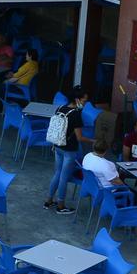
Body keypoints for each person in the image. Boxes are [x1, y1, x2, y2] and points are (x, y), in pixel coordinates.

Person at [45, 85, 93, 215]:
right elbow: (80, 137)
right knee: (64, 177)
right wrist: (94, 141)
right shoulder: (76, 115)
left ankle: (48, 200)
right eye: (84, 100)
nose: (85, 103)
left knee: (57, 173)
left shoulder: (60, 108)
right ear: (77, 100)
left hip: (58, 146)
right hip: (69, 150)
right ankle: (60, 205)